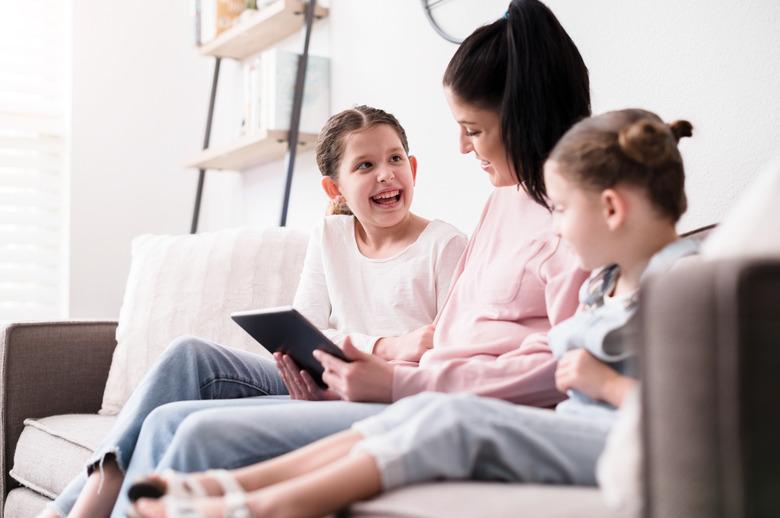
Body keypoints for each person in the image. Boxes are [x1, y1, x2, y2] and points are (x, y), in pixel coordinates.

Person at [46, 1, 591, 516]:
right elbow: (443, 346)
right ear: (335, 187)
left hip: (430, 406)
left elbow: (565, 369)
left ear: (524, 117)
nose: (463, 149)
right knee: (174, 409)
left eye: (473, 131)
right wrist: (361, 376)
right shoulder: (502, 202)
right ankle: (94, 491)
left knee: (191, 432)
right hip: (402, 390)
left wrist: (394, 380)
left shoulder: (574, 221)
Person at [132, 108, 698, 518]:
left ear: (611, 208)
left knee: (447, 417)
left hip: (613, 439)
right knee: (416, 414)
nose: (554, 227)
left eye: (564, 211)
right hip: (576, 425)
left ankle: (263, 504)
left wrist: (600, 381)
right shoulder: (607, 284)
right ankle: (228, 488)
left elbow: (708, 413)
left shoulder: (685, 284)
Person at [45, 105, 466, 518]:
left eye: (395, 159)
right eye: (365, 165)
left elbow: (444, 355)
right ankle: (90, 493)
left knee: (174, 422)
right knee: (189, 354)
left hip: (380, 397)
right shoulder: (329, 235)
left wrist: (379, 356)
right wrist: (388, 344)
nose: (386, 173)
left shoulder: (444, 247)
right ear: (333, 189)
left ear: (413, 166)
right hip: (321, 375)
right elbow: (307, 329)